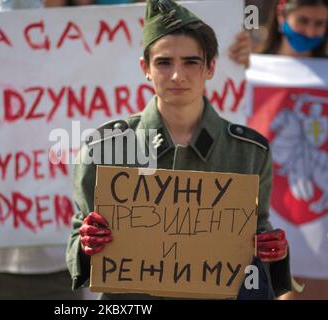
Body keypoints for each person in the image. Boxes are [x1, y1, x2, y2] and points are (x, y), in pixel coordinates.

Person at [66, 0, 292, 299]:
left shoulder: (249, 151)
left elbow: (257, 238)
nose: (177, 76)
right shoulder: (104, 148)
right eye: (163, 62)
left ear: (210, 67)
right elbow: (78, 246)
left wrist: (272, 251)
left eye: (190, 62)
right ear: (145, 68)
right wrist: (86, 244)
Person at [258, 0, 328, 300]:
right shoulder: (249, 67)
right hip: (264, 208)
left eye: (320, 24)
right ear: (281, 14)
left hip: (316, 224)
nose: (311, 31)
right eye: (303, 20)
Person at [260, 0, 328, 57]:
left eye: (319, 23)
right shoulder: (253, 66)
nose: (310, 32)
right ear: (281, 15)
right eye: (302, 21)